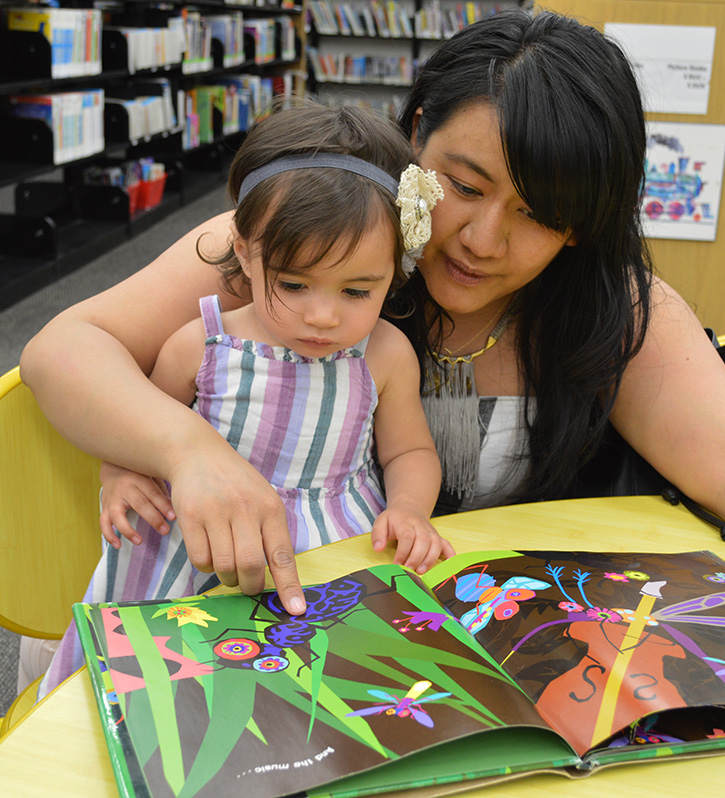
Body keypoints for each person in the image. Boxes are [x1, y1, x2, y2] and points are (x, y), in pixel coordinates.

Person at [21, 9, 725, 677]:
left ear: (588, 224)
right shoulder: (309, 245)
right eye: (463, 184)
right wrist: (183, 448)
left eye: (540, 215)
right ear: (416, 132)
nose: (482, 239)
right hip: (242, 632)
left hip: (477, 669)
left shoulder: (610, 307)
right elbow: (69, 345)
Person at [30, 102, 455, 696]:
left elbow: (409, 451)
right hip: (193, 551)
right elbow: (136, 419)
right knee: (165, 683)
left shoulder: (383, 355)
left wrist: (409, 509)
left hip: (331, 547)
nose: (322, 314)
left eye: (358, 289)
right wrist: (119, 470)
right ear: (248, 251)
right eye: (293, 283)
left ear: (396, 270)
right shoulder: (203, 343)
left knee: (320, 689)